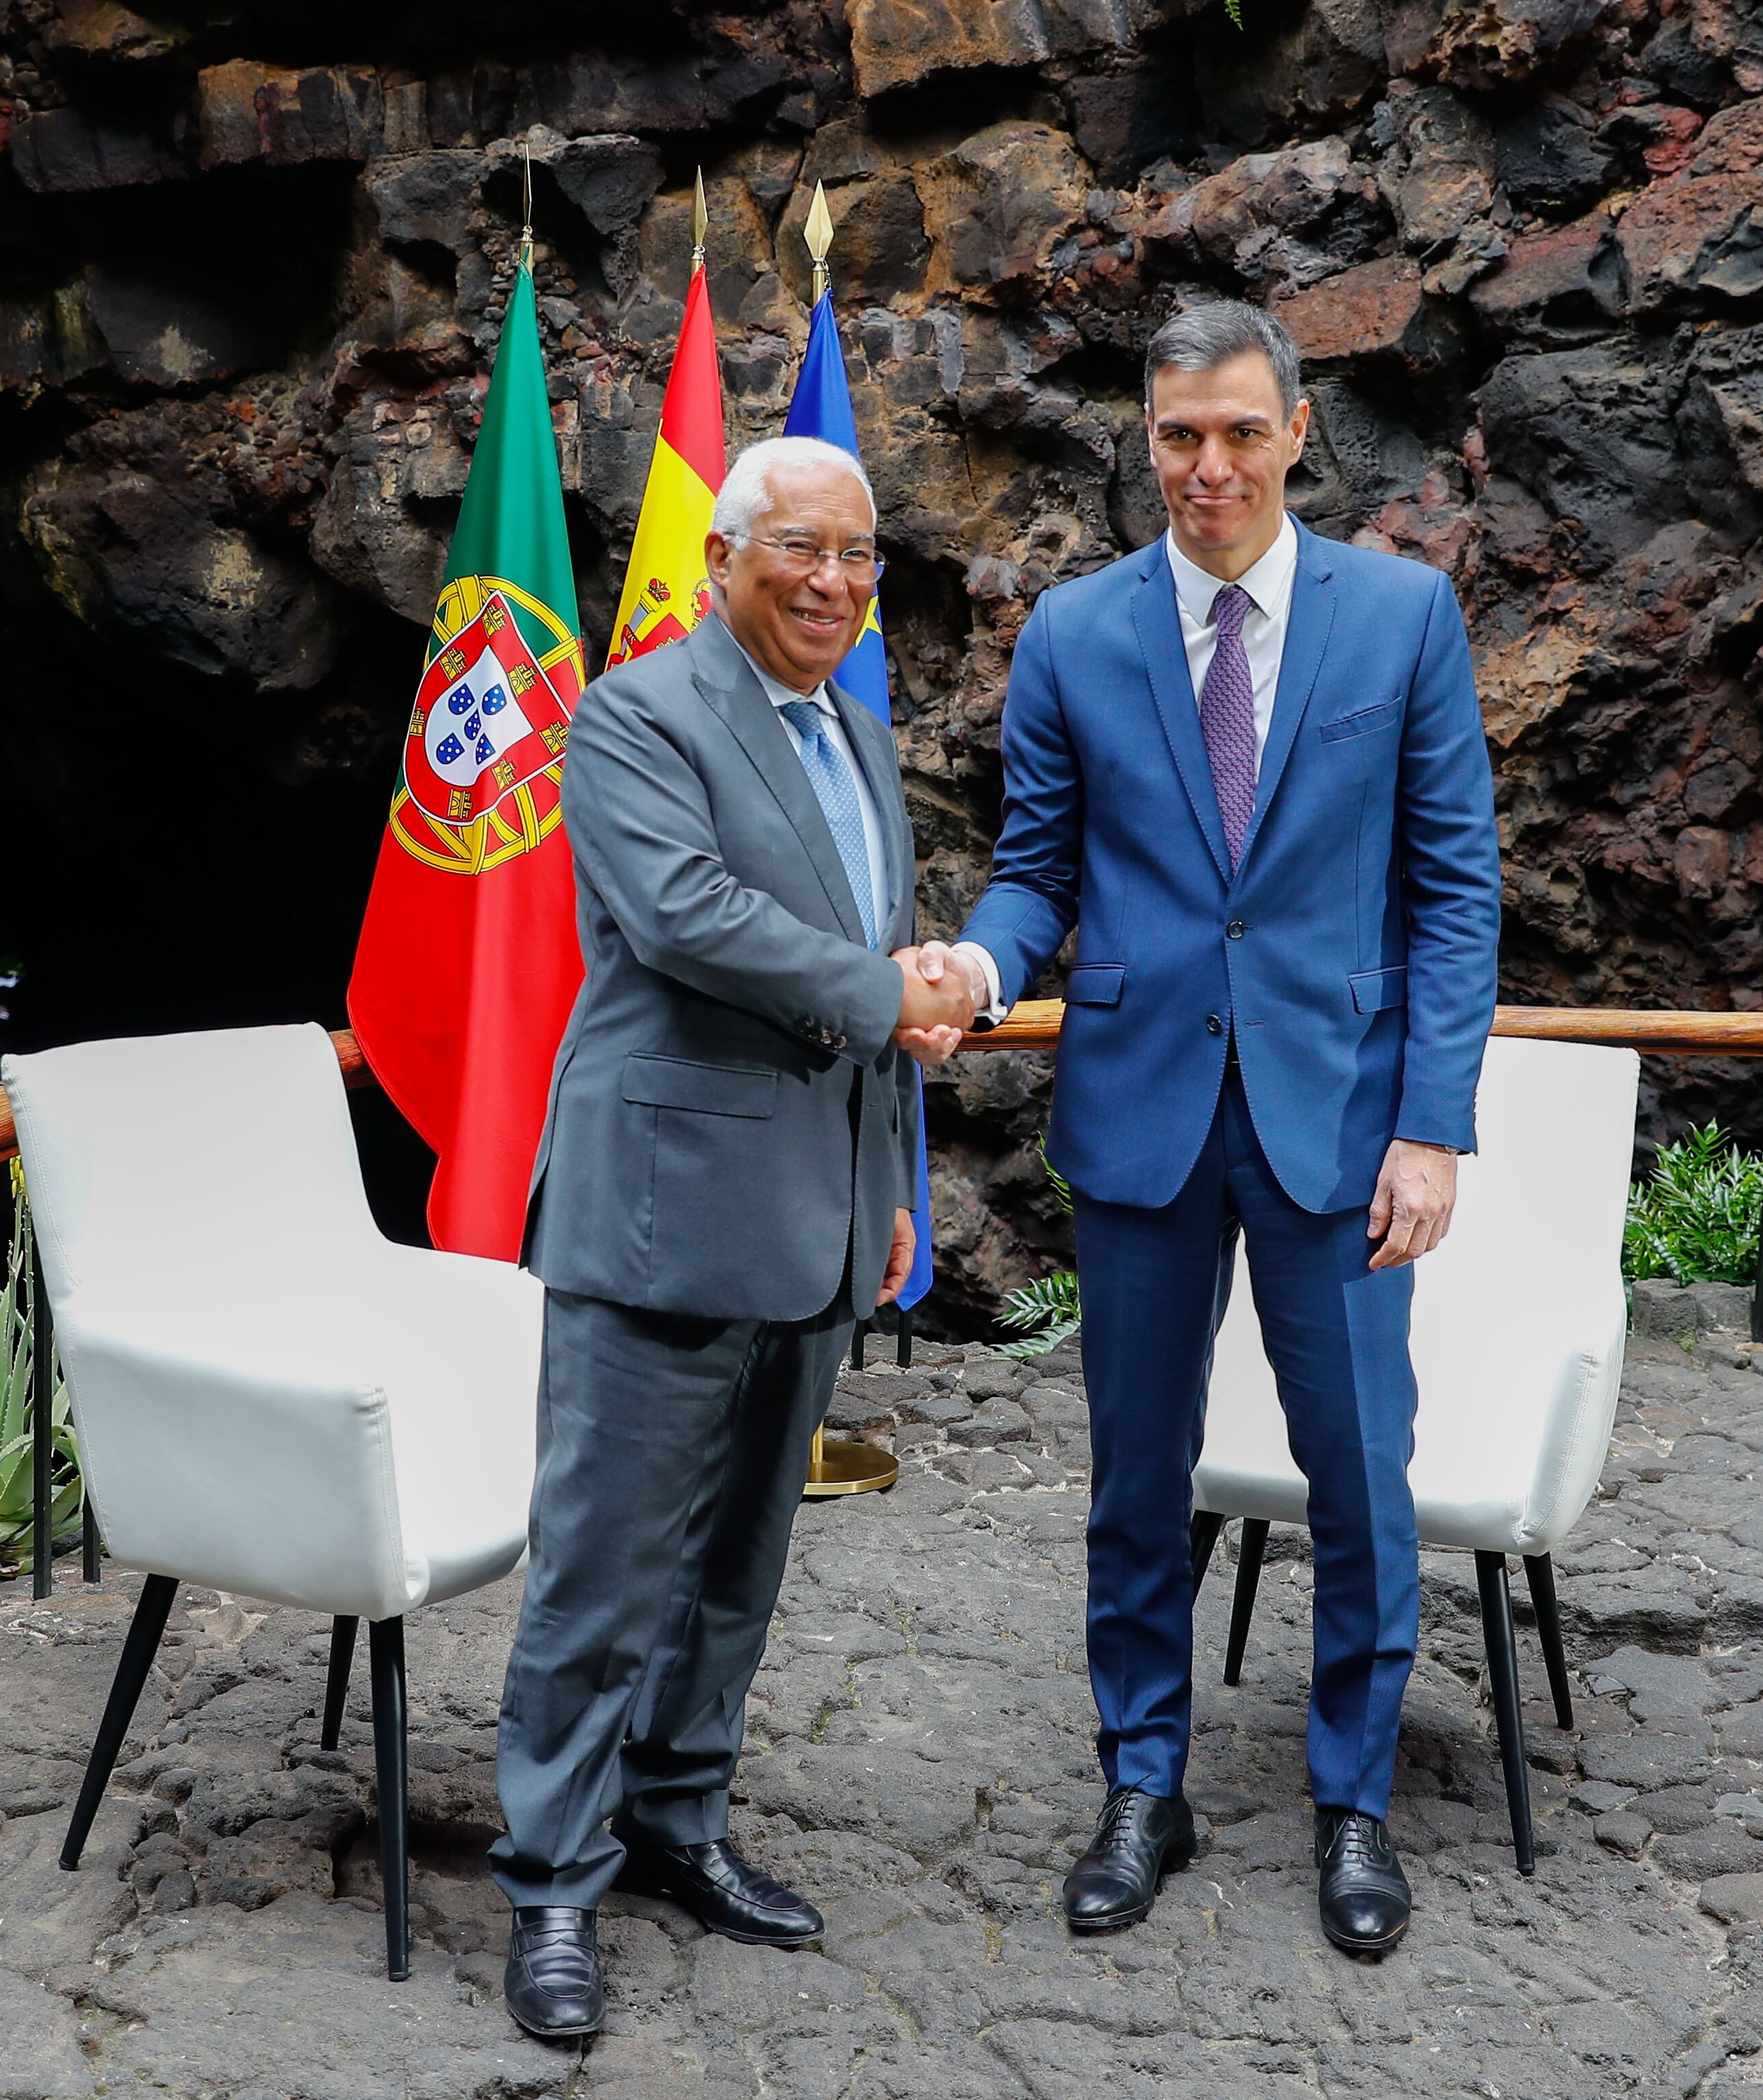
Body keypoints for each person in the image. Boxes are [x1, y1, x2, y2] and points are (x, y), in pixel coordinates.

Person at [911, 300, 1499, 1956]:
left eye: (1241, 432)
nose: (1210, 467)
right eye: (1180, 435)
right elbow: (1039, 873)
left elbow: (1455, 894)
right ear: (1146, 438)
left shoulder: (1402, 620)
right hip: (1143, 1112)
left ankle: (1354, 1806)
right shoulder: (1077, 637)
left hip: (1340, 1122)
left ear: (1297, 431)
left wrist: (1433, 1125)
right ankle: (1140, 1785)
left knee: (1361, 1481)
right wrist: (977, 956)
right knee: (1134, 1477)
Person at [491, 434, 978, 2037]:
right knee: (603, 1572)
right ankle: (554, 1883)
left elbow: (862, 974)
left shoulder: (855, 732)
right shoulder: (637, 714)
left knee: (739, 1567)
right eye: (800, 551)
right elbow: (683, 912)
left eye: (857, 556)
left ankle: (678, 1824)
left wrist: (883, 1171)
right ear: (726, 559)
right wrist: (885, 995)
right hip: (663, 1217)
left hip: (815, 1218)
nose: (833, 582)